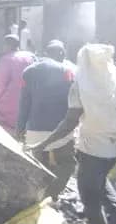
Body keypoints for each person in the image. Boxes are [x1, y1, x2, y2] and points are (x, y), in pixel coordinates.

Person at [31, 44, 116, 224]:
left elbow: (70, 122)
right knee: (100, 181)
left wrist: (43, 144)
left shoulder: (83, 87)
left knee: (91, 199)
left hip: (93, 149)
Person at [17, 40, 77, 200]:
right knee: (67, 163)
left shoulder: (28, 71)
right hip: (61, 130)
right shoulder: (67, 71)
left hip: (34, 129)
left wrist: (20, 128)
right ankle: (52, 195)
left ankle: (38, 198)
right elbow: (73, 101)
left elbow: (24, 102)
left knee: (38, 166)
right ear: (61, 54)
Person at [0, 34, 36, 133]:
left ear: (7, 45)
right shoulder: (29, 57)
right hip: (28, 103)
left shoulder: (6, 59)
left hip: (9, 104)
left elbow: (0, 84)